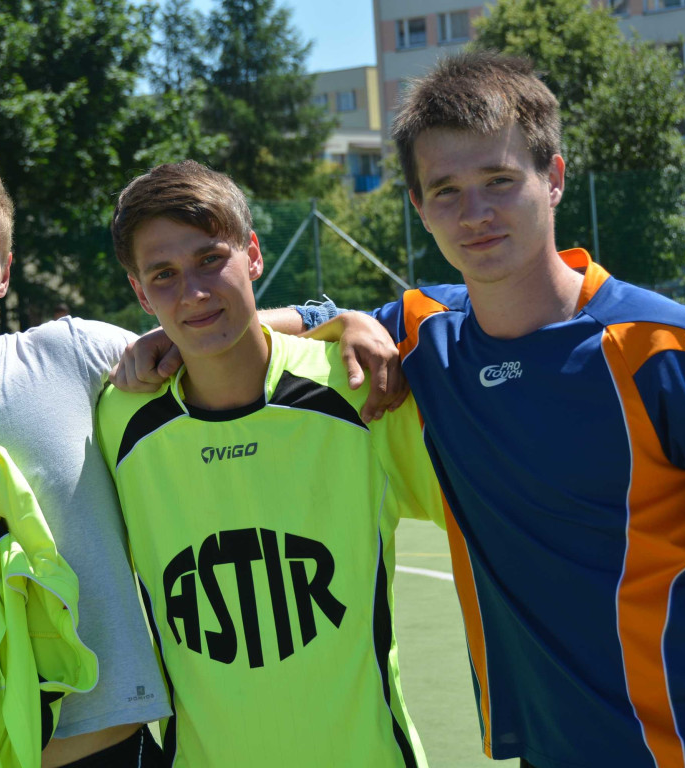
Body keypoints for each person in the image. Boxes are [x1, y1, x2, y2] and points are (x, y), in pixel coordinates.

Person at [288, 52, 685, 767]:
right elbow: (245, 320)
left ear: (552, 179)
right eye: (446, 191)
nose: (475, 213)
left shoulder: (660, 345)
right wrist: (188, 337)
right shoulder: (428, 333)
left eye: (499, 181)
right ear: (419, 209)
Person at [0, 153, 403, 768]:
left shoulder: (72, 356)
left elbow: (205, 330)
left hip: (117, 754)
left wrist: (335, 319)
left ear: (6, 271)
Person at [96, 160, 445, 767]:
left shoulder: (360, 386)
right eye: (164, 274)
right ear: (139, 292)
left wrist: (336, 319)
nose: (195, 293)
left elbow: (492, 525)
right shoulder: (119, 421)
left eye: (211, 260)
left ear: (253, 254)